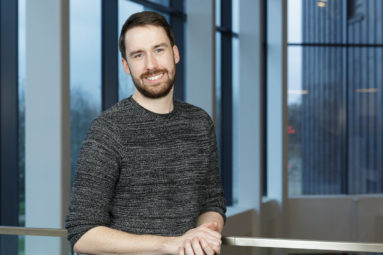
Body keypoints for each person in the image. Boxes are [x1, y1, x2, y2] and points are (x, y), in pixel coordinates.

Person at [65, 11, 226, 255]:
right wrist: (170, 244)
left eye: (159, 50)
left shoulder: (200, 123)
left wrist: (202, 236)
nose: (151, 65)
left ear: (175, 53)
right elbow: (81, 232)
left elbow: (212, 203)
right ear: (126, 65)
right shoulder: (108, 130)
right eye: (138, 55)